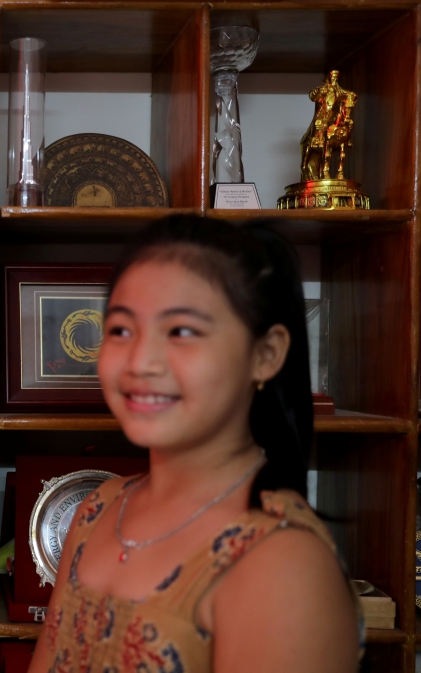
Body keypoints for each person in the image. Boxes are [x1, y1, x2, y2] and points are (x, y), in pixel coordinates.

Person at [28, 216, 359, 673]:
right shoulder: (98, 509)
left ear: (266, 355)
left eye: (182, 331)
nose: (141, 361)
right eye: (121, 330)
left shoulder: (283, 564)